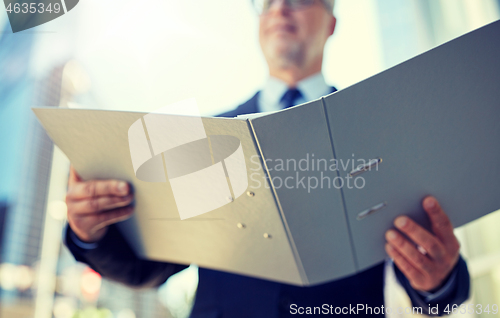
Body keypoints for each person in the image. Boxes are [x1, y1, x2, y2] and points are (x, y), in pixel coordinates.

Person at [64, 0, 470, 316]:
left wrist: (439, 279)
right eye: (269, 1)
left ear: (331, 23)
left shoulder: (379, 134)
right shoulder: (206, 137)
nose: (280, 7)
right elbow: (150, 269)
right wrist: (90, 233)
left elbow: (426, 274)